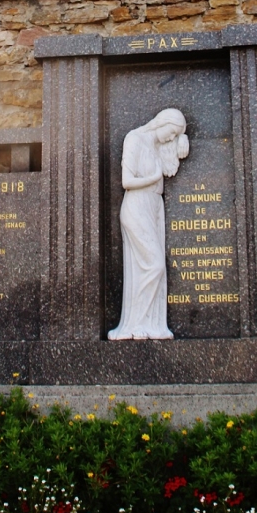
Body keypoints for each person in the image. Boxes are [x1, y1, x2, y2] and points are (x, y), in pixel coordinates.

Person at [108, 108, 189, 340]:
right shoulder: (134, 139)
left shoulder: (158, 146)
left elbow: (170, 168)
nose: (170, 138)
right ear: (160, 123)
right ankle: (133, 324)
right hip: (136, 206)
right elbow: (127, 181)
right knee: (154, 265)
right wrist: (154, 179)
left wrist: (182, 138)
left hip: (154, 207)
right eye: (171, 132)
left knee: (147, 267)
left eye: (174, 136)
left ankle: (150, 325)